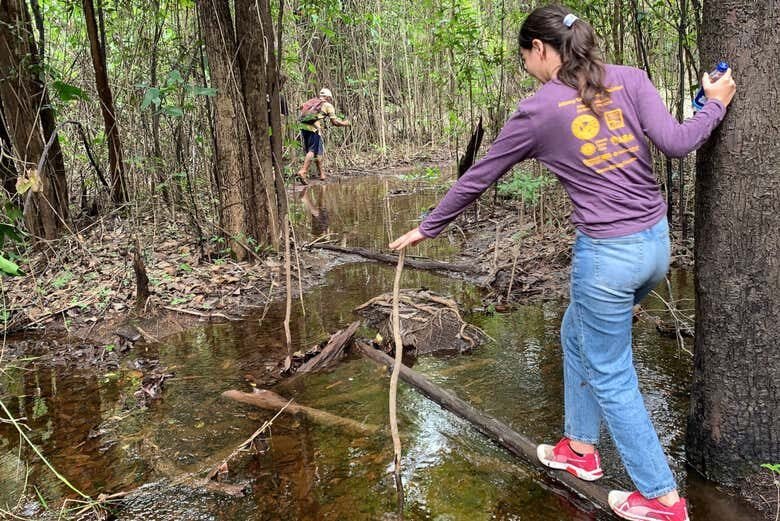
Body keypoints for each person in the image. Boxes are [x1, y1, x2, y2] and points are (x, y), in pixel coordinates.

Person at [389, 5, 736, 521]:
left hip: (606, 260)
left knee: (612, 372)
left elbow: (479, 175)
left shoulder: (539, 111)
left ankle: (661, 498)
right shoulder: (633, 80)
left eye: (524, 55)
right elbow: (678, 143)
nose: (525, 65)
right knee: (577, 331)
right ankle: (580, 448)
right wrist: (713, 105)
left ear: (542, 50)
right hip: (656, 248)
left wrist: (428, 226)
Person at [297, 87, 350, 183]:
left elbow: (301, 107)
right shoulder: (327, 105)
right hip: (313, 128)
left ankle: (322, 174)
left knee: (317, 150)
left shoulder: (312, 101)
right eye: (330, 98)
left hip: (304, 127)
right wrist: (345, 123)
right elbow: (334, 122)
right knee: (312, 150)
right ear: (328, 97)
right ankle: (303, 171)